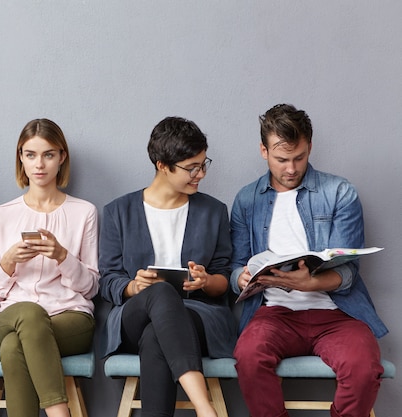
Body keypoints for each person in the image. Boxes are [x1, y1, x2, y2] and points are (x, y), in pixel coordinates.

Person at [230, 103, 388, 417]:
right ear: (264, 151)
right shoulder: (247, 200)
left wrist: (310, 283)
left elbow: (349, 272)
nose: (291, 168)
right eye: (281, 159)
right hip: (275, 314)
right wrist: (242, 278)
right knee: (248, 357)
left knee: (364, 368)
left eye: (299, 157)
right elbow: (235, 265)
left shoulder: (340, 192)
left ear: (310, 147)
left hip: (336, 315)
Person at [99, 116, 237, 417]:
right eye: (191, 168)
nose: (200, 174)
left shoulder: (213, 211)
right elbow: (107, 279)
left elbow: (224, 280)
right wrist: (133, 286)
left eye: (203, 164)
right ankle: (205, 408)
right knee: (160, 294)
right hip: (134, 313)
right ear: (162, 165)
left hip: (199, 316)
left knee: (155, 338)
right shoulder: (118, 212)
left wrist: (205, 281)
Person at [0, 118, 99, 417]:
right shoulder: (1, 215)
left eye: (48, 154)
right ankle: (60, 413)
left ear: (62, 157)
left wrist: (62, 256)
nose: (40, 164)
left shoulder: (83, 212)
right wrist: (8, 261)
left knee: (12, 348)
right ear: (21, 157)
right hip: (12, 315)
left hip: (70, 318)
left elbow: (91, 287)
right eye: (30, 154)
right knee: (29, 314)